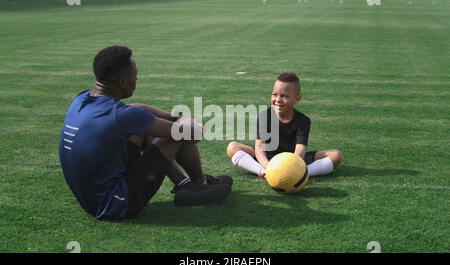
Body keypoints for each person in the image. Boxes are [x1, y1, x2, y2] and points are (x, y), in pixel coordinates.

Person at [59, 45, 232, 220]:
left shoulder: (81, 100)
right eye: (135, 76)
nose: (137, 81)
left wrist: (172, 116)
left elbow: (136, 110)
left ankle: (186, 185)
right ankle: (199, 184)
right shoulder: (123, 117)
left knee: (147, 128)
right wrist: (188, 121)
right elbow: (192, 134)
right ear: (123, 82)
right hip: (117, 203)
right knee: (177, 134)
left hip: (92, 199)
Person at [226, 72, 342, 179]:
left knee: (336, 155)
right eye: (274, 94)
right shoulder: (264, 117)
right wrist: (269, 168)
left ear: (297, 99)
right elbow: (259, 148)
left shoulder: (303, 121)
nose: (278, 100)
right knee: (232, 147)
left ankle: (303, 174)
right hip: (268, 160)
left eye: (285, 96)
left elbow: (300, 151)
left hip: (293, 160)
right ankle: (263, 173)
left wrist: (292, 168)